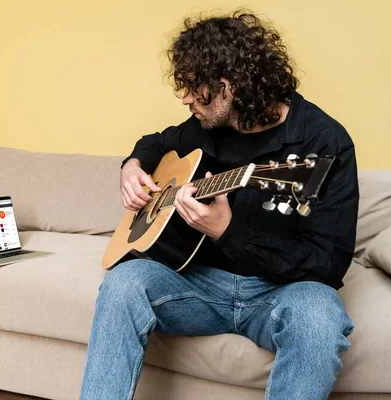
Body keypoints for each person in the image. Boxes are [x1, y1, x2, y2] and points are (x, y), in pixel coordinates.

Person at [80, 11, 358, 400]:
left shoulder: (323, 142)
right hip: (199, 284)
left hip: (281, 291)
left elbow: (327, 262)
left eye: (196, 88)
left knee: (318, 319)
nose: (185, 97)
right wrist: (132, 166)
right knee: (124, 283)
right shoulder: (206, 124)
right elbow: (158, 141)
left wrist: (229, 232)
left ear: (230, 87)